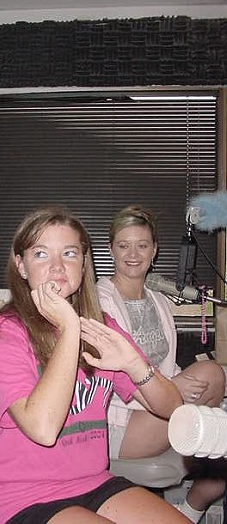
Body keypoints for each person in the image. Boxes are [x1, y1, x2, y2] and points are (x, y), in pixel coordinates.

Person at [0, 205, 189, 523]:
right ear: (21, 266)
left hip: (93, 482)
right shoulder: (3, 333)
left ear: (84, 263)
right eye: (41, 254)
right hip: (20, 495)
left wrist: (133, 363)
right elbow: (43, 429)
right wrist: (69, 328)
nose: (57, 266)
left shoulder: (102, 326)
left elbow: (172, 407)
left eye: (70, 253)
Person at [97, 204, 226, 523]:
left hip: (161, 405)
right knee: (217, 424)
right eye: (124, 245)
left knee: (213, 374)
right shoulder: (100, 301)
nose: (133, 254)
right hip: (121, 421)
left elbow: (167, 368)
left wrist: (177, 384)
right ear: (111, 250)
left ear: (154, 250)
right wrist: (170, 388)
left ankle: (190, 509)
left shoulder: (157, 300)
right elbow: (109, 380)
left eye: (142, 245)